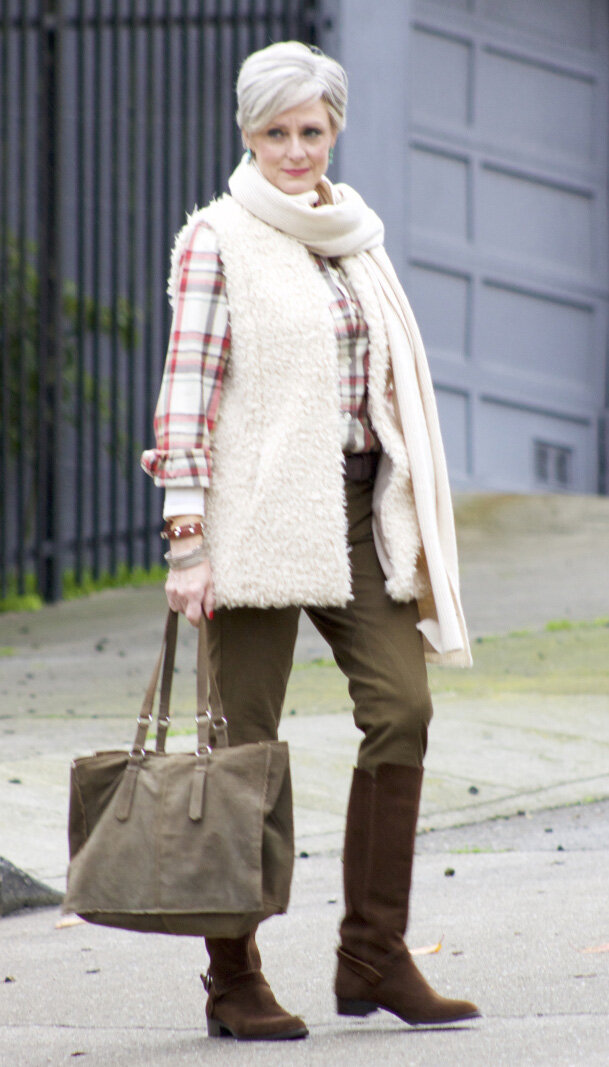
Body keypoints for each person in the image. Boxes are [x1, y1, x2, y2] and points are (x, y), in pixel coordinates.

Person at [141, 40, 480, 1042]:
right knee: (243, 746)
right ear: (248, 134)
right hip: (254, 514)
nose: (296, 149)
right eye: (277, 132)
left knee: (402, 707)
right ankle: (233, 973)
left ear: (336, 129)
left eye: (312, 129)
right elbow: (187, 392)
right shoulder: (217, 239)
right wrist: (187, 537)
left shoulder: (353, 233)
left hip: (362, 504)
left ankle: (373, 951)